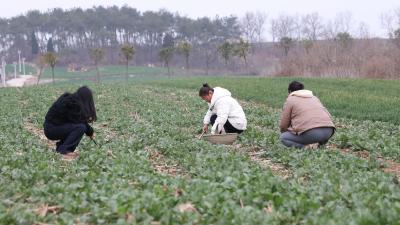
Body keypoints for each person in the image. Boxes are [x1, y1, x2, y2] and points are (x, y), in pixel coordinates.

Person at [44, 86, 97, 159]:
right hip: (52, 129)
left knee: (77, 126)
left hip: (51, 127)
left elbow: (77, 121)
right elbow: (81, 122)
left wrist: (90, 132)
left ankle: (61, 148)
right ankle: (64, 151)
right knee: (80, 128)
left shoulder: (70, 100)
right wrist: (91, 132)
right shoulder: (72, 104)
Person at [279, 81, 335, 148]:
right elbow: (328, 115)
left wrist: (286, 132)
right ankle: (319, 145)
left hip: (313, 134)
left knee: (284, 138)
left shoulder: (290, 99)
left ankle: (306, 148)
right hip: (329, 131)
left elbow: (284, 124)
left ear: (290, 91)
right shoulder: (314, 98)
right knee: (315, 132)